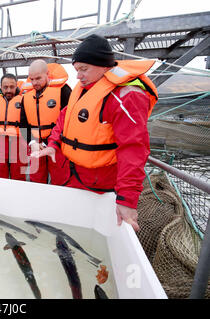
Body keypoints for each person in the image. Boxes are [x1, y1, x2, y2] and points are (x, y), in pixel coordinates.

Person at [33, 34, 158, 231]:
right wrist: (53, 145)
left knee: (91, 233)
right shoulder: (83, 89)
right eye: (76, 70)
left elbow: (134, 149)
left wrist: (127, 199)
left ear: (105, 66)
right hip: (72, 177)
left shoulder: (127, 96)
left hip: (100, 187)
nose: (78, 75)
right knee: (67, 230)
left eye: (84, 69)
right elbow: (64, 118)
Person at [19, 60, 72, 184]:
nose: (34, 83)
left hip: (58, 146)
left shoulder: (63, 91)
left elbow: (69, 121)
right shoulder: (26, 97)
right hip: (36, 146)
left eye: (38, 78)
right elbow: (23, 124)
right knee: (36, 181)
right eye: (31, 79)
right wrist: (32, 142)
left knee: (60, 181)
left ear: (47, 74)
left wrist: (53, 143)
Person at [0, 73, 28, 180]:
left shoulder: (24, 100)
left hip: (19, 145)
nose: (8, 90)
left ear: (16, 87)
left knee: (19, 178)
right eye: (5, 87)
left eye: (12, 87)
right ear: (1, 87)